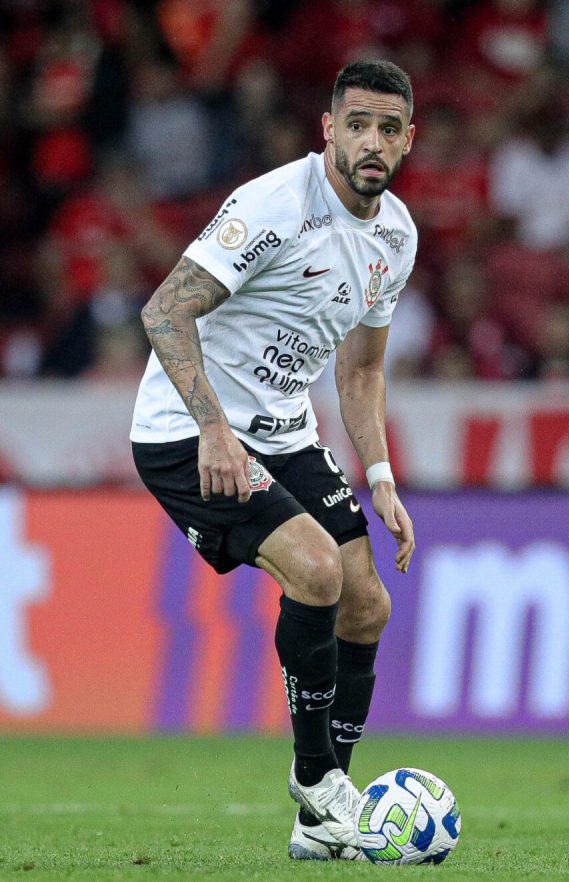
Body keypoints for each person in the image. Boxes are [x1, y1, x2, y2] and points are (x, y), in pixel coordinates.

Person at [130, 60, 418, 860]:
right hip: (187, 433)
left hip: (285, 432)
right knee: (318, 570)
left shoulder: (396, 235)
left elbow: (360, 371)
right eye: (357, 123)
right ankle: (320, 778)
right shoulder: (274, 205)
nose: (372, 142)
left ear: (408, 141)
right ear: (327, 127)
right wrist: (215, 430)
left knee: (367, 604)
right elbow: (164, 311)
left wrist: (383, 480)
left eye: (388, 128)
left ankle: (321, 825)